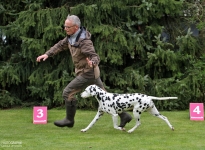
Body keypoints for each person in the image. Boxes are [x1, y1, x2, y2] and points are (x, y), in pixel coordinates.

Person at [36, 15, 132, 128]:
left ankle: (69, 120)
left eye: (68, 27)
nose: (65, 29)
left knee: (67, 92)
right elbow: (60, 45)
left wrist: (93, 62)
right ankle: (124, 116)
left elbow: (94, 56)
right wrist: (47, 54)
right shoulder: (71, 37)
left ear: (76, 27)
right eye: (65, 26)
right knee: (106, 97)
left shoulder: (84, 41)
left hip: (88, 73)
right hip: (91, 73)